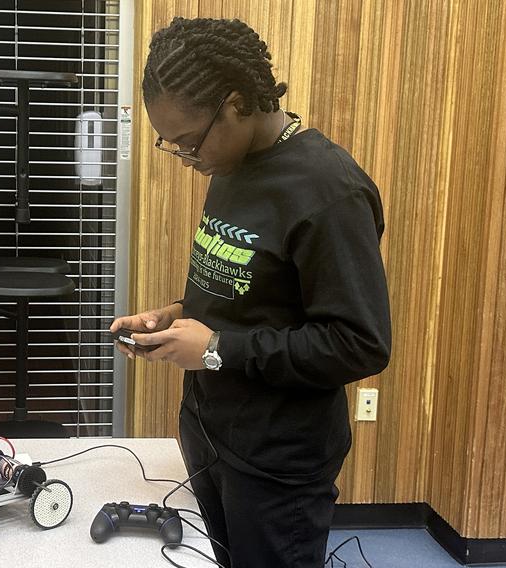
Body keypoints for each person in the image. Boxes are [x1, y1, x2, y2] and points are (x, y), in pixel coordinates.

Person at [110, 17, 392, 568]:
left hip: (277, 461)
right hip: (211, 431)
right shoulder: (231, 160)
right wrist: (174, 316)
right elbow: (249, 289)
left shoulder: (329, 192)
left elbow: (361, 343)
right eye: (172, 146)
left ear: (236, 102)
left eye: (190, 142)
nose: (188, 160)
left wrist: (218, 349)